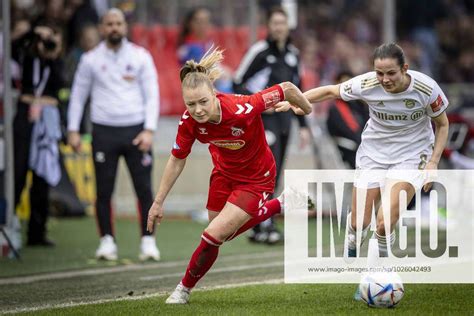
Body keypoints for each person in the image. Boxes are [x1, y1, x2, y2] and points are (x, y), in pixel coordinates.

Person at [146, 46, 312, 304]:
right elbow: (177, 159)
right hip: (223, 174)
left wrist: (305, 109)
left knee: (213, 234)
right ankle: (282, 203)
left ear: (214, 93)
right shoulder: (189, 121)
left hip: (257, 177)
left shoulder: (242, 107)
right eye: (191, 104)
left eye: (203, 101)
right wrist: (158, 202)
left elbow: (288, 87)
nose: (198, 110)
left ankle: (183, 289)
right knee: (220, 235)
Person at [303, 43, 449, 298]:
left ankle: (373, 278)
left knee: (384, 222)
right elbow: (330, 91)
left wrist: (433, 162)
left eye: (391, 73)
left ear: (405, 68)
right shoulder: (368, 83)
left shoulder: (426, 89)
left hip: (411, 156)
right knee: (360, 222)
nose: (384, 79)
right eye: (379, 73)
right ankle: (352, 236)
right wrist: (296, 101)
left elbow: (443, 124)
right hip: (373, 154)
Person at [67, 8, 160, 261]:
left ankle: (148, 241)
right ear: (101, 28)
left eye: (118, 23)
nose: (114, 28)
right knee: (104, 190)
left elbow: (152, 94)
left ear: (125, 27)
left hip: (136, 131)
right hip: (103, 131)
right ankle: (107, 241)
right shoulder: (90, 59)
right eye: (109, 24)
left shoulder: (141, 56)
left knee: (144, 189)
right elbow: (78, 96)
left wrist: (149, 130)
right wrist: (73, 130)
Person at [233, 6, 311, 244]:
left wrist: (303, 125)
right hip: (264, 121)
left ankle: (261, 223)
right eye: (275, 23)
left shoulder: (293, 54)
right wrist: (260, 104)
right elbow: (238, 83)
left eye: (282, 23)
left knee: (276, 171)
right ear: (269, 26)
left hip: (285, 121)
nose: (279, 27)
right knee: (266, 171)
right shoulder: (259, 51)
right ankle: (262, 224)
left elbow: (297, 91)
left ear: (288, 26)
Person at [12, 23, 65, 247]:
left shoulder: (56, 62)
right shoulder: (27, 56)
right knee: (17, 174)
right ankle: (6, 225)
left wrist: (53, 52)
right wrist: (34, 33)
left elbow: (57, 91)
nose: (47, 43)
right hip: (26, 119)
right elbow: (13, 45)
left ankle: (37, 232)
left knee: (42, 179)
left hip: (47, 121)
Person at [326, 70, 369, 169]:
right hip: (348, 149)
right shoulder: (336, 109)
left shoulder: (360, 105)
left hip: (364, 147)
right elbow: (347, 131)